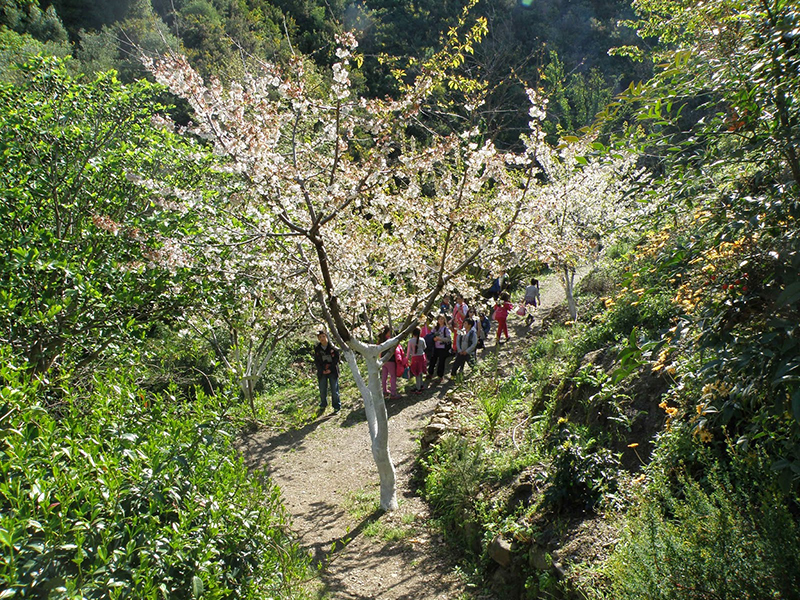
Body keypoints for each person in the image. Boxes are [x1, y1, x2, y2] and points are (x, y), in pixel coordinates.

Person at [314, 330, 340, 414]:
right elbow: (317, 361)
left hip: (332, 371)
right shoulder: (317, 348)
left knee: (334, 390)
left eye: (323, 336)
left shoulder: (332, 347)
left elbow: (337, 359)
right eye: (320, 337)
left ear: (327, 336)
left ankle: (336, 406)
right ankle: (323, 404)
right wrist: (322, 370)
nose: (322, 339)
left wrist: (330, 369)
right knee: (322, 389)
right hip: (322, 372)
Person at [427, 314, 451, 381]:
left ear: (444, 320)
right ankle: (430, 373)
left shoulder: (446, 329)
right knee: (432, 361)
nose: (440, 320)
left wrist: (440, 339)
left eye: (442, 319)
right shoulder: (435, 328)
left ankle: (440, 376)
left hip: (442, 348)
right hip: (435, 347)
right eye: (439, 319)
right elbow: (431, 335)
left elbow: (449, 339)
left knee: (441, 362)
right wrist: (433, 338)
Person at [407, 327, 428, 394]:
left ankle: (418, 388)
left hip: (415, 358)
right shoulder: (422, 340)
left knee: (417, 373)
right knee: (420, 371)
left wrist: (407, 358)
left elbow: (409, 351)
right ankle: (421, 385)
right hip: (422, 357)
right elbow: (425, 347)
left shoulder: (410, 341)